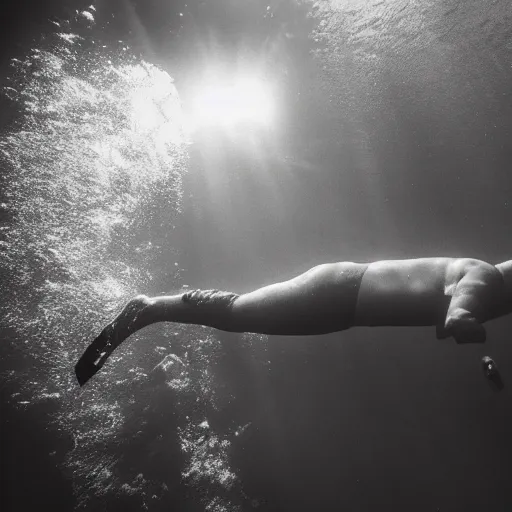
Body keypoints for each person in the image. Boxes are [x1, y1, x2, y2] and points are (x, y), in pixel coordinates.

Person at [75, 257, 512, 386]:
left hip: (344, 299)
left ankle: (151, 309)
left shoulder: (481, 276)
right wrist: (469, 323)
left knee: (239, 315)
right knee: (236, 314)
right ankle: (148, 308)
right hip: (342, 294)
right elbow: (455, 319)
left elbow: (441, 315)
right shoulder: (486, 276)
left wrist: (465, 318)